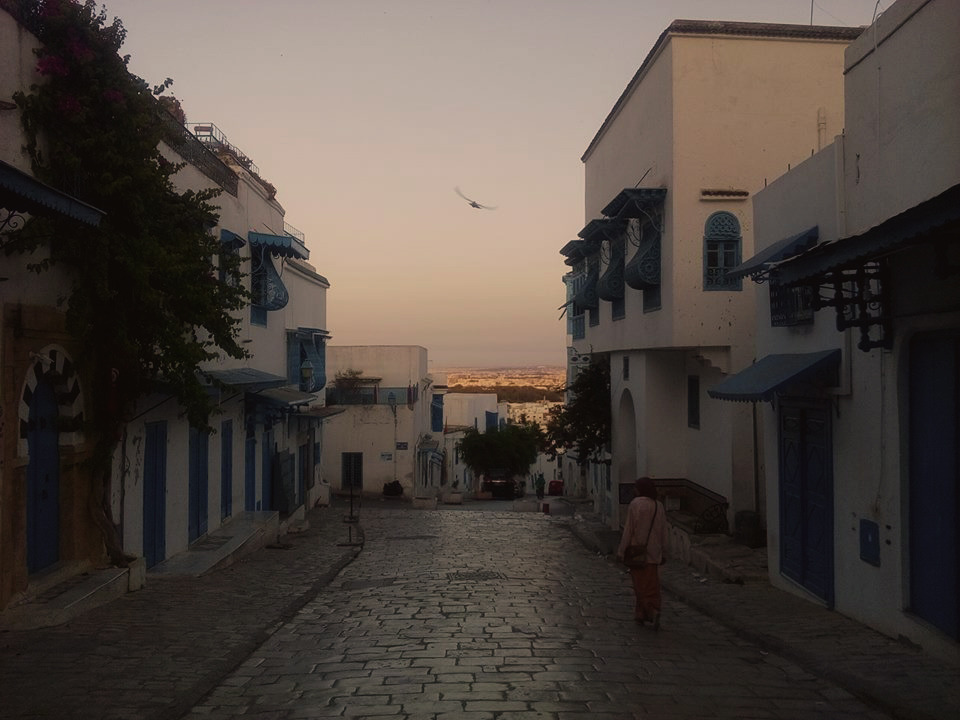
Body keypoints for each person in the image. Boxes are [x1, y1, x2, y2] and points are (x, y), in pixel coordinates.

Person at [617, 477, 668, 629]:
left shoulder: (636, 504)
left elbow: (629, 529)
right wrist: (664, 551)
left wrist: (621, 550)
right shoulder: (658, 506)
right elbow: (663, 530)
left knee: (639, 585)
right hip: (654, 551)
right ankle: (642, 613)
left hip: (637, 551)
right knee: (652, 584)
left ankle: (650, 611)